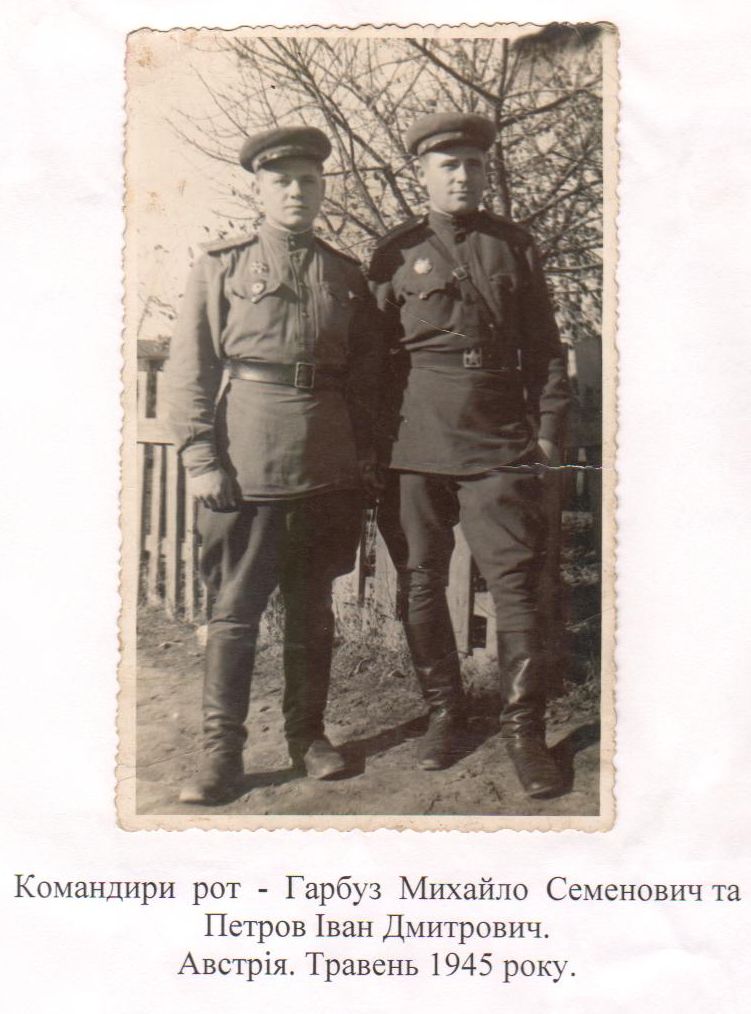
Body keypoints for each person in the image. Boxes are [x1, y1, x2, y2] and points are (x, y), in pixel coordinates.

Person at [165, 126, 379, 804]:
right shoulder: (222, 265)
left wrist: (363, 457)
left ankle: (307, 738)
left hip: (327, 463)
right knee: (235, 611)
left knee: (312, 609)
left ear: (322, 189)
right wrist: (201, 455)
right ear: (258, 189)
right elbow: (190, 368)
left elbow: (368, 375)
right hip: (249, 460)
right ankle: (220, 755)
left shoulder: (345, 274)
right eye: (281, 181)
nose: (296, 192)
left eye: (308, 181)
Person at [368, 112, 572, 797]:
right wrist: (377, 447)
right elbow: (373, 361)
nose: (462, 176)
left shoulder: (514, 247)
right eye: (448, 165)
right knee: (422, 581)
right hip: (416, 440)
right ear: (422, 174)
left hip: (498, 437)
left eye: (474, 165)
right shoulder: (394, 254)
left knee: (515, 585)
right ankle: (444, 714)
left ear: (486, 172)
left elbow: (546, 348)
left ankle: (523, 730)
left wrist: (548, 431)